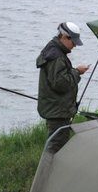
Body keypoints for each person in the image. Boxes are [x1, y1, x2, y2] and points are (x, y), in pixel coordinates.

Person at [36, 22, 90, 153]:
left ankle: (50, 172)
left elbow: (59, 77)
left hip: (55, 109)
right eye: (74, 42)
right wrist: (77, 72)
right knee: (55, 149)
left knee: (56, 145)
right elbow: (61, 84)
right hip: (57, 112)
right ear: (65, 37)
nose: (75, 45)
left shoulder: (53, 50)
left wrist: (74, 71)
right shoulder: (57, 57)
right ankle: (46, 173)